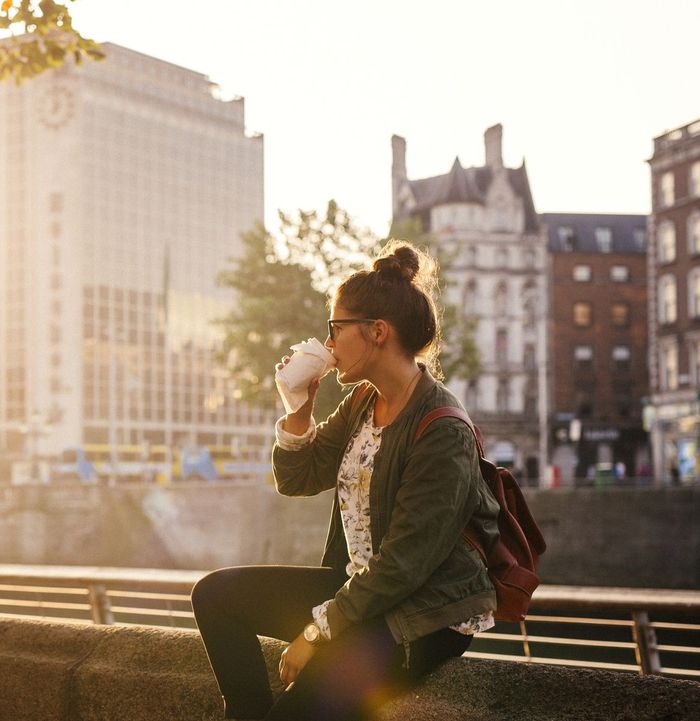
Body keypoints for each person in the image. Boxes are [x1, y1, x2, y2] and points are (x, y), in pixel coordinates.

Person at [191, 241, 501, 721]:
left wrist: (316, 632)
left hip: (418, 618)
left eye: (335, 328)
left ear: (377, 332)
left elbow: (404, 565)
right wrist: (298, 410)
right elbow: (298, 478)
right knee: (214, 596)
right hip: (361, 595)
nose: (329, 343)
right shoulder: (362, 403)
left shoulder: (442, 428)